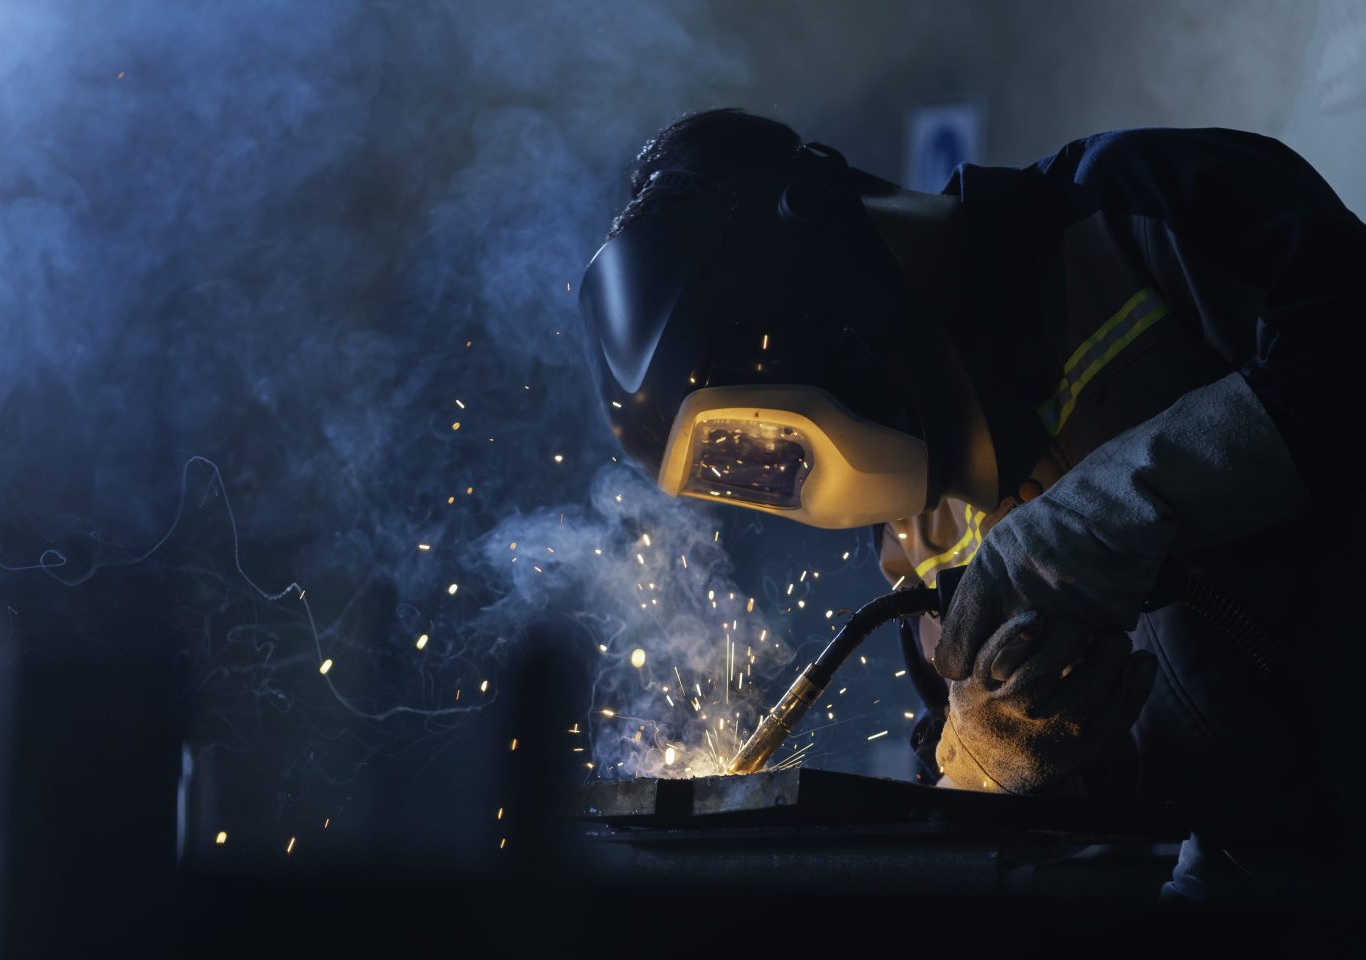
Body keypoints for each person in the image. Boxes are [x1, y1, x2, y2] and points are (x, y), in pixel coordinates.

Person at [576, 108, 1365, 902]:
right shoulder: (916, 541)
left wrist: (1121, 500)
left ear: (807, 252)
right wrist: (997, 765)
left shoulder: (1129, 209)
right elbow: (1087, 798)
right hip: (1273, 870)